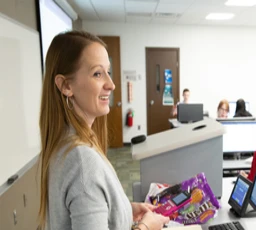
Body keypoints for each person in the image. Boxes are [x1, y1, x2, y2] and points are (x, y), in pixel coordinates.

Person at [38, 31, 169, 230]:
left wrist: (123, 210)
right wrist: (146, 227)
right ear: (66, 86)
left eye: (108, 71)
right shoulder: (82, 161)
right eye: (97, 73)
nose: (111, 84)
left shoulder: (65, 143)